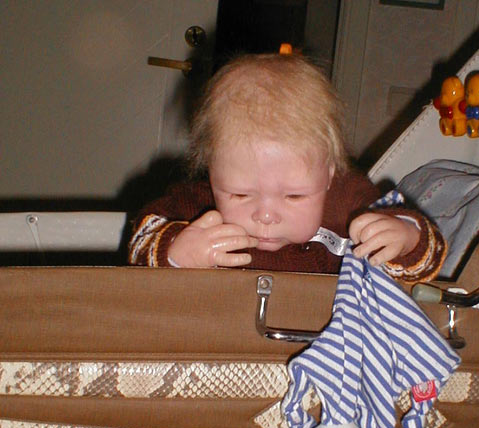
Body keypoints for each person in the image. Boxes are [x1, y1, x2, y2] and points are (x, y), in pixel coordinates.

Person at [129, 53, 446, 281]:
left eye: (294, 196)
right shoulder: (197, 207)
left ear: (329, 175)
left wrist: (407, 237)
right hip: (220, 346)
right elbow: (140, 242)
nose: (266, 216)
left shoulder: (351, 205)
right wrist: (176, 253)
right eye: (240, 194)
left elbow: (425, 264)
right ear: (213, 174)